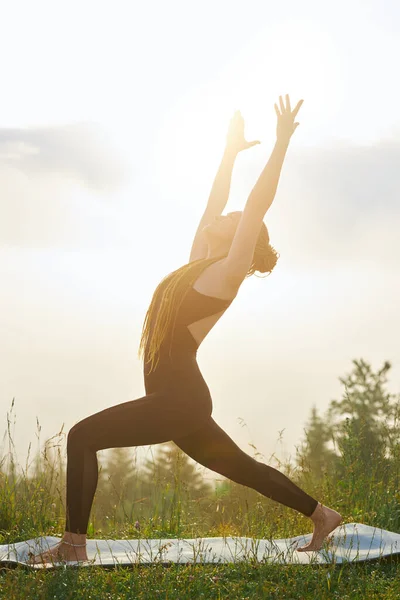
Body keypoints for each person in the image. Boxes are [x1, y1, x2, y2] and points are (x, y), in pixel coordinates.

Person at [29, 95, 341, 565]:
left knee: (81, 436)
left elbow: (256, 205)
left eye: (234, 221)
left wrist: (279, 145)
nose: (225, 216)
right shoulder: (197, 265)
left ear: (243, 240)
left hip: (178, 401)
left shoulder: (227, 272)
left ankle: (74, 546)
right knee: (245, 469)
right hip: (182, 402)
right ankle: (322, 514)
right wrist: (229, 153)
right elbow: (214, 204)